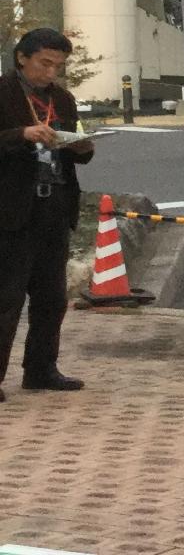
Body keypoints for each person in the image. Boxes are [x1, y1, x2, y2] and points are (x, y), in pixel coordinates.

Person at [0, 29, 94, 403]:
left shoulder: (62, 99)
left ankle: (40, 369)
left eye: (58, 65)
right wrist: (22, 134)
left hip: (54, 204)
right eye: (45, 63)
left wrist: (82, 145)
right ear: (22, 57)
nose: (51, 72)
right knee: (7, 297)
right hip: (12, 208)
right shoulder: (4, 92)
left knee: (51, 296)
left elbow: (78, 148)